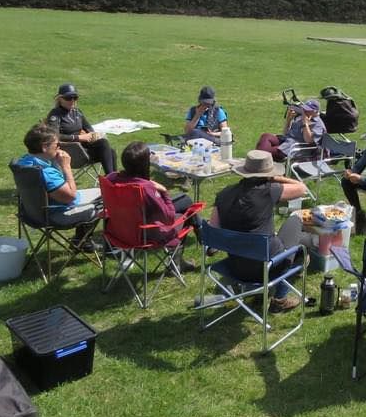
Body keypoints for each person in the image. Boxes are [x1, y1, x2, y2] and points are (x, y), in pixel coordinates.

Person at [208, 150, 309, 312]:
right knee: (296, 220)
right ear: (268, 174)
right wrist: (275, 178)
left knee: (282, 239)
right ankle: (279, 299)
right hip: (268, 267)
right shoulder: (269, 191)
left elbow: (213, 232)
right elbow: (302, 188)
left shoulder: (223, 194)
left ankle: (260, 294)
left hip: (235, 267)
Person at [104, 141, 200, 262]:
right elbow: (169, 217)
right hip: (144, 234)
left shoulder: (111, 179)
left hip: (120, 230)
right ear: (145, 164)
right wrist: (164, 192)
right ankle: (179, 261)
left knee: (185, 199)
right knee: (187, 212)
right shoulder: (145, 188)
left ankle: (202, 233)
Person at [14, 123, 101, 250]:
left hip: (30, 212)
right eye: (57, 144)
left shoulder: (23, 162)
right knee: (105, 196)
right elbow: (70, 197)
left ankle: (82, 240)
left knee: (99, 192)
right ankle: (87, 242)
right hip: (55, 215)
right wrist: (67, 167)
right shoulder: (45, 172)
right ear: (44, 147)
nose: (59, 146)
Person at [45, 83, 116, 174]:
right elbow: (54, 136)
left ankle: (113, 182)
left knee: (110, 151)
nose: (72, 101)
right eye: (68, 98)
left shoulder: (77, 112)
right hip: (71, 152)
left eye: (75, 97)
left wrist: (94, 135)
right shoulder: (55, 114)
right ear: (60, 99)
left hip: (84, 148)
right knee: (104, 144)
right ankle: (111, 180)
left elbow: (89, 129)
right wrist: (78, 137)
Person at [257, 99, 325, 161]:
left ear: (315, 111)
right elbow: (285, 133)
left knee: (264, 151)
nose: (304, 111)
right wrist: (288, 120)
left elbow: (309, 141)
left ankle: (258, 161)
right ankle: (261, 161)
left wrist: (305, 124)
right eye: (304, 108)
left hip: (294, 147)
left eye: (307, 110)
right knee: (265, 136)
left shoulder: (318, 125)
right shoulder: (301, 116)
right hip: (286, 140)